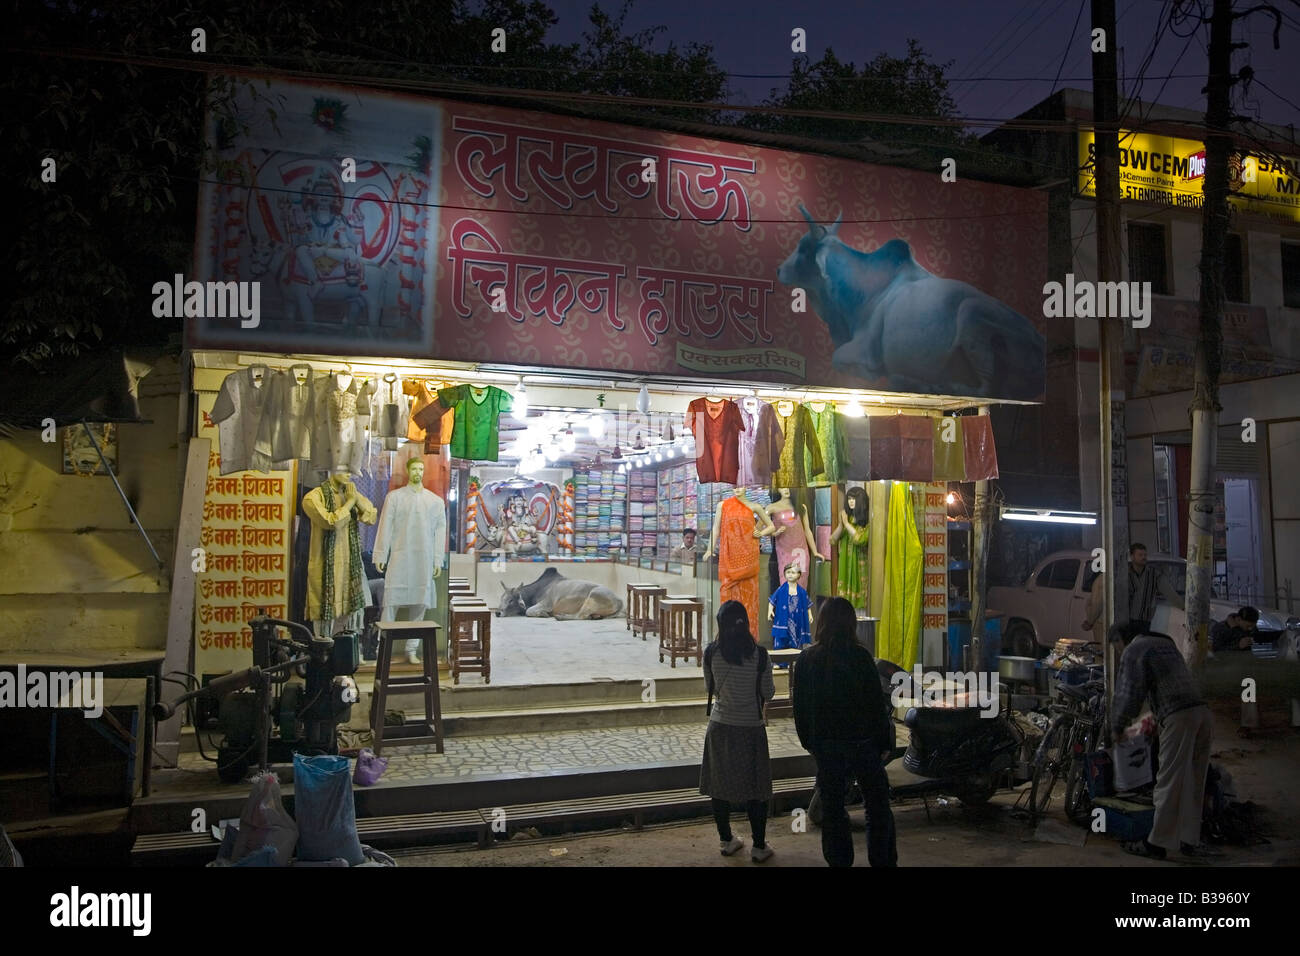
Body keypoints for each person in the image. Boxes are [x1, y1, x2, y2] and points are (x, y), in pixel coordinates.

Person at [791, 597, 898, 867]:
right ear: (851, 624)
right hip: (864, 745)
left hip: (827, 747)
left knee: (834, 810)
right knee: (877, 806)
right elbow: (876, 704)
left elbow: (800, 707)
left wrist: (810, 743)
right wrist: (884, 742)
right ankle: (882, 860)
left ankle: (840, 861)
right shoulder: (861, 657)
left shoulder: (807, 659)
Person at [1111, 628, 1217, 860]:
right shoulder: (1167, 646)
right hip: (1202, 714)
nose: (1118, 653)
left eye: (1115, 647)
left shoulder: (1133, 649)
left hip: (1180, 717)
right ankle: (1189, 839)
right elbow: (1168, 689)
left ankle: (1156, 844)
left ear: (1119, 640)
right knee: (1193, 780)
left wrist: (1117, 726)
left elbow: (1129, 693)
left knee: (1169, 781)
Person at [698, 600, 776, 862]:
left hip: (720, 727)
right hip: (751, 729)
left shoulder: (711, 654)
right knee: (756, 788)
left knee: (719, 787)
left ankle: (727, 840)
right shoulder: (761, 656)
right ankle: (759, 845)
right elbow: (769, 693)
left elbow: (711, 688)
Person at [1081, 542, 1183, 644]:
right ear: (1132, 557)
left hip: (1141, 621)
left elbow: (1170, 593)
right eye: (1140, 555)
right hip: (1126, 622)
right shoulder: (1122, 576)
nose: (1143, 558)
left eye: (1144, 555)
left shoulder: (1154, 575)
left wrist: (1183, 607)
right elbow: (1103, 597)